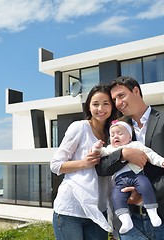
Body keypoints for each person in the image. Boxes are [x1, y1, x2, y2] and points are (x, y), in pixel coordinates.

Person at [96, 76, 164, 240]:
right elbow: (102, 167)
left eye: (121, 95)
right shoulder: (118, 128)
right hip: (131, 222)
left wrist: (145, 194)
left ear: (136, 91)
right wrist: (123, 154)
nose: (117, 103)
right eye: (114, 99)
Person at [50, 84, 119, 240]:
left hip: (98, 211)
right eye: (95, 104)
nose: (100, 108)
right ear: (89, 106)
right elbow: (55, 165)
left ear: (112, 106)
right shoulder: (80, 127)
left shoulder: (114, 134)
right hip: (70, 209)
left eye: (106, 103)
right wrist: (84, 163)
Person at [92, 118, 164, 234]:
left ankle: (152, 212)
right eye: (112, 134)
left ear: (129, 137)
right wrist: (96, 147)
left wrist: (162, 161)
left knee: (146, 187)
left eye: (120, 133)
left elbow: (150, 154)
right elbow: (101, 153)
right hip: (120, 181)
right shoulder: (110, 149)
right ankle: (126, 221)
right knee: (116, 197)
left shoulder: (135, 145)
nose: (116, 136)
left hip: (137, 175)